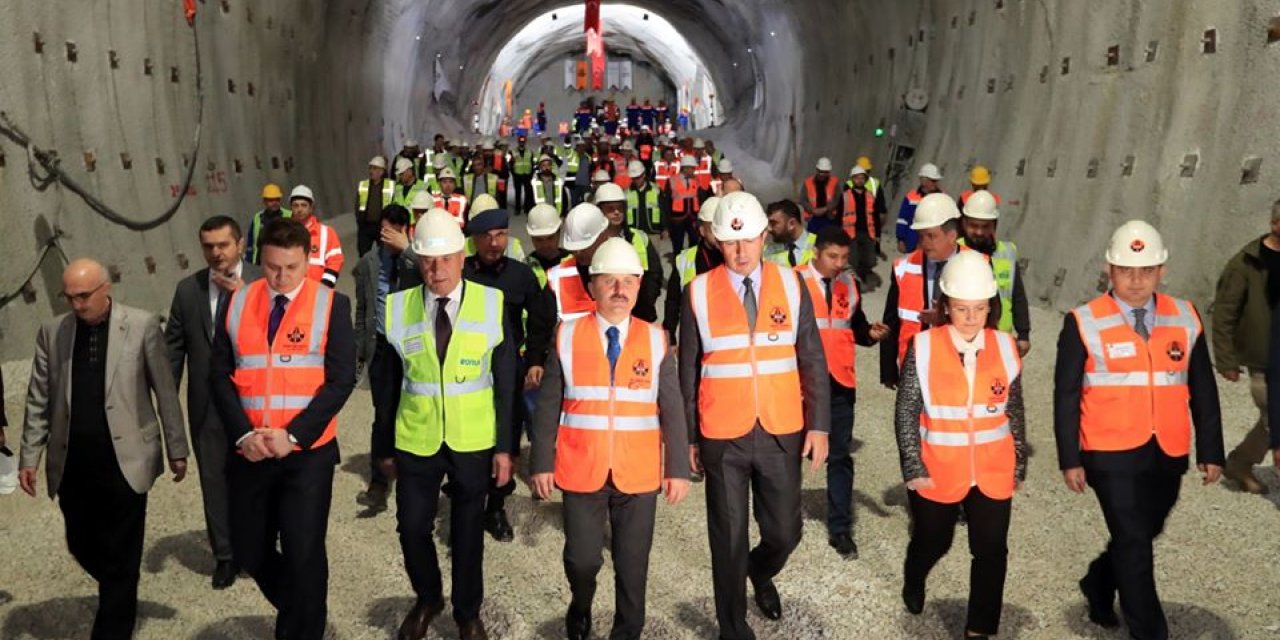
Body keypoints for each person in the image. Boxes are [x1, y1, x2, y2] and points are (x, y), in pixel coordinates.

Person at [1053, 221, 1224, 640]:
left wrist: (1212, 450)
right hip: (1108, 453)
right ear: (1110, 269)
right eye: (1126, 270)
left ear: (1161, 271)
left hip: (1166, 449)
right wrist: (1070, 458)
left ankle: (1098, 581)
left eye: (1146, 270)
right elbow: (1066, 395)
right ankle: (1150, 633)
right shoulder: (1083, 321)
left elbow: (1203, 387)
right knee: (1133, 540)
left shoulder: (1185, 317)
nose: (1135, 280)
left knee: (1144, 531)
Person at [680, 191, 830, 640]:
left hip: (781, 429)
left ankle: (758, 572)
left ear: (766, 236)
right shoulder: (698, 292)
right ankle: (732, 627)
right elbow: (686, 371)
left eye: (748, 240)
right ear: (716, 242)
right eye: (730, 242)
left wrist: (819, 424)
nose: (741, 251)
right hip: (722, 435)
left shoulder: (792, 284)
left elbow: (812, 359)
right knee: (726, 539)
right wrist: (688, 439)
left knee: (786, 532)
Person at [531, 237, 691, 640]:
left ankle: (627, 631)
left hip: (637, 475)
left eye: (628, 281)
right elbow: (549, 404)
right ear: (593, 286)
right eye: (609, 281)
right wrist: (541, 463)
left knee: (632, 564)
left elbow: (672, 409)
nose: (620, 290)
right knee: (582, 560)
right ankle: (581, 601)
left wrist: (676, 469)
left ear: (639, 286)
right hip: (581, 468)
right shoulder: (566, 336)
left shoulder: (656, 340)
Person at [20, 258, 189, 639]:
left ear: (105, 288)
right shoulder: (52, 333)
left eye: (84, 296)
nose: (77, 305)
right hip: (74, 463)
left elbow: (165, 392)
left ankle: (113, 625)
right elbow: (38, 400)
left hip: (126, 460)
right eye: (70, 298)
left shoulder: (142, 325)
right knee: (80, 541)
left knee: (123, 548)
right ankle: (119, 585)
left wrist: (177, 448)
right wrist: (29, 456)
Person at [211, 218, 357, 640]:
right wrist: (243, 436)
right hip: (251, 450)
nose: (281, 277)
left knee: (304, 551)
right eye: (273, 267)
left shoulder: (331, 304)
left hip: (306, 455)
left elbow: (341, 378)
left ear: (307, 260)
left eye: (291, 268)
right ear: (260, 260)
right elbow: (219, 376)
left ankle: (301, 628)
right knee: (248, 549)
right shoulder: (238, 303)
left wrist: (292, 435)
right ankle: (302, 606)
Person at [373, 211, 517, 640]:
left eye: (445, 259)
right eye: (427, 261)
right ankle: (428, 596)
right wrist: (383, 448)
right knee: (412, 526)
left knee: (468, 530)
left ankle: (467, 611)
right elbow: (388, 384)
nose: (436, 270)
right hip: (417, 436)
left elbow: (506, 383)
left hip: (473, 436)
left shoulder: (492, 304)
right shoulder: (399, 307)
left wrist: (506, 447)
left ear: (462, 257)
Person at [895, 251, 1026, 639]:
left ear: (990, 307)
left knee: (990, 552)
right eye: (962, 309)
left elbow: (1014, 411)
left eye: (980, 309)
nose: (971, 318)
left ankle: (979, 629)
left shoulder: (1005, 346)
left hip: (992, 469)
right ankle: (915, 572)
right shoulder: (923, 347)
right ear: (946, 306)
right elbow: (906, 411)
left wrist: (1018, 463)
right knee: (934, 539)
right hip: (938, 469)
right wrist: (912, 466)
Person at [165, 216, 260, 588]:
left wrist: (245, 295)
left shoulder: (262, 279)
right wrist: (167, 399)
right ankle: (225, 555)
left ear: (239, 244)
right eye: (209, 246)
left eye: (223, 244)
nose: (216, 253)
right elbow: (173, 349)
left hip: (254, 403)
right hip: (208, 406)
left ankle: (256, 549)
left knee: (255, 482)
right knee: (214, 482)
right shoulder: (187, 292)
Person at [462, 208, 555, 541]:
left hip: (510, 373)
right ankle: (469, 501)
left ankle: (495, 508)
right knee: (471, 441)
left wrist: (534, 360)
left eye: (500, 234)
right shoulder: (462, 275)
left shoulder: (521, 276)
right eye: (486, 236)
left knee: (507, 442)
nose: (494, 242)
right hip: (468, 371)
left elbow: (541, 320)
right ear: (473, 240)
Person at [797, 228, 888, 558]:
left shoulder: (849, 284)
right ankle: (783, 520)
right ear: (816, 253)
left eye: (844, 258)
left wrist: (870, 334)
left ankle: (840, 528)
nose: (839, 264)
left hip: (840, 382)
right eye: (833, 257)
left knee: (839, 456)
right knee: (789, 454)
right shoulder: (792, 282)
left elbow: (852, 325)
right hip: (798, 384)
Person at [1212, 199, 1280, 494]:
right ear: (1275, 224)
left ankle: (1239, 463)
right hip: (1263, 359)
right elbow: (1225, 312)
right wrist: (1226, 360)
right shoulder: (1245, 263)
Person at [353, 204, 415, 515]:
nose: (389, 237)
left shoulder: (415, 260)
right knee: (384, 416)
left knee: (414, 412)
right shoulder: (367, 264)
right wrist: (360, 351)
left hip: (413, 352)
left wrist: (408, 250)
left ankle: (414, 473)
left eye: (397, 231)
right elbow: (362, 310)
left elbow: (433, 277)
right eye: (386, 230)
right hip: (381, 351)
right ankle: (378, 482)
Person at [881, 193, 966, 389]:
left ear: (952, 235)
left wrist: (947, 317)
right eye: (921, 236)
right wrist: (888, 370)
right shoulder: (903, 267)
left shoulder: (977, 265)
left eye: (931, 236)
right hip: (914, 369)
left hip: (960, 368)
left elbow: (987, 319)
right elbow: (891, 321)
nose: (924, 242)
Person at [959, 191, 1031, 356]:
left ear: (994, 225)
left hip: (1000, 340)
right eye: (974, 225)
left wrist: (1023, 333)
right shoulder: (954, 252)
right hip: (964, 340)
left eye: (985, 226)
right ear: (964, 223)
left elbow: (1017, 295)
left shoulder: (1008, 252)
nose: (979, 232)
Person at [594, 183, 663, 322]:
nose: (616, 212)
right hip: (605, 314)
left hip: (639, 312)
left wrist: (645, 300)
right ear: (599, 211)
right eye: (610, 209)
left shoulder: (639, 237)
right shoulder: (592, 242)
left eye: (620, 208)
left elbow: (654, 274)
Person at [664, 196, 724, 346]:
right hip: (695, 334)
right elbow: (673, 300)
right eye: (713, 228)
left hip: (728, 331)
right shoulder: (686, 259)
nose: (719, 233)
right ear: (702, 230)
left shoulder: (736, 256)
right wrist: (669, 334)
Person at [836, 166, 885, 289]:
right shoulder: (845, 196)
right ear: (852, 179)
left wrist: (878, 235)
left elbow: (875, 217)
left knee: (868, 259)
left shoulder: (869, 196)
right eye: (857, 178)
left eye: (862, 178)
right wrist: (838, 233)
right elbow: (839, 215)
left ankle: (864, 278)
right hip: (850, 232)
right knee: (853, 259)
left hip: (868, 232)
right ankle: (855, 283)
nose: (860, 180)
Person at [288, 185, 345, 288]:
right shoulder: (284, 233)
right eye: (295, 205)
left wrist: (325, 286)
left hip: (320, 291)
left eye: (303, 205)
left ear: (311, 207)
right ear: (291, 208)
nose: (299, 209)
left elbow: (336, 261)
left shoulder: (327, 232)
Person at [896, 163, 944, 253]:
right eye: (933, 180)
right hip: (912, 240)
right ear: (923, 180)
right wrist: (900, 239)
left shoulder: (942, 198)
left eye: (936, 181)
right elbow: (902, 219)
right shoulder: (911, 196)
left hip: (932, 242)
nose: (935, 183)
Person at [663, 155, 705, 254]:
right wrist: (667, 224)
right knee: (677, 244)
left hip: (693, 218)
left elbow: (700, 198)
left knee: (694, 241)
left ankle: (691, 264)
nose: (694, 170)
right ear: (685, 168)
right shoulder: (672, 180)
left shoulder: (696, 180)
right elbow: (666, 203)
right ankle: (677, 266)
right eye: (692, 168)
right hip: (677, 219)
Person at [355, 155, 395, 256]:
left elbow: (394, 204)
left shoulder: (390, 185)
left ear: (381, 171)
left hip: (382, 226)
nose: (371, 171)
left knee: (385, 255)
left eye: (375, 168)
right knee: (363, 254)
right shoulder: (363, 185)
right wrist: (360, 220)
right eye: (370, 168)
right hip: (366, 226)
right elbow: (357, 204)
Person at [245, 183, 291, 265]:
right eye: (271, 200)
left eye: (277, 199)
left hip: (283, 260)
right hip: (260, 261)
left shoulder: (289, 215)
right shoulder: (258, 217)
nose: (274, 203)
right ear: (264, 201)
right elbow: (251, 240)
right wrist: (249, 260)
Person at [764, 199, 816, 267]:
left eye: (773, 223)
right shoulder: (766, 250)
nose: (769, 229)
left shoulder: (819, 245)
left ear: (792, 223)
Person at [625, 160, 663, 236]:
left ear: (644, 175)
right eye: (633, 178)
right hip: (634, 233)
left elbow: (663, 210)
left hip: (653, 231)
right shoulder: (626, 193)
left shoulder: (656, 190)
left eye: (638, 177)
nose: (636, 180)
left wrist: (665, 229)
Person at [801, 158, 839, 232]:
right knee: (811, 240)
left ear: (829, 172)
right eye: (820, 171)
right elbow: (802, 199)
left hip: (829, 217)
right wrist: (812, 210)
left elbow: (838, 198)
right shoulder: (808, 182)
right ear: (817, 170)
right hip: (812, 218)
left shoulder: (835, 182)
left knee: (827, 239)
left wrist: (826, 208)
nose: (822, 174)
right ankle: (810, 244)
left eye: (825, 172)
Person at [510, 134, 535, 214]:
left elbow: (533, 163)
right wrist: (513, 173)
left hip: (527, 174)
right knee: (518, 192)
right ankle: (517, 209)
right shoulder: (512, 152)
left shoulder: (530, 152)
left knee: (527, 192)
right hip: (517, 175)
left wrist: (531, 173)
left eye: (523, 142)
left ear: (525, 142)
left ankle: (527, 208)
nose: (522, 143)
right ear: (518, 142)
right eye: (520, 142)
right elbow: (509, 164)